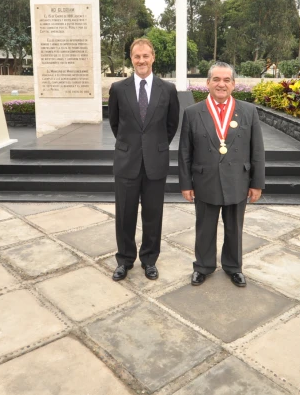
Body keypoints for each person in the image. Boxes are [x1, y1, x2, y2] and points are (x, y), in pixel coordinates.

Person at [178, 62, 265, 288]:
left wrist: (257, 183)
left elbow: (257, 150)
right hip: (205, 179)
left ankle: (234, 267)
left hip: (238, 179)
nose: (221, 84)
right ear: (207, 83)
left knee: (234, 227)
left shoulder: (248, 111)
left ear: (234, 84)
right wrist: (186, 183)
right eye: (216, 79)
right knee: (205, 227)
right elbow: (185, 152)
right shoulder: (192, 113)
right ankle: (203, 266)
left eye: (226, 80)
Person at [108, 38, 180, 282]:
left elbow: (172, 125)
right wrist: (132, 146)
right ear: (131, 58)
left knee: (153, 215)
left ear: (153, 57)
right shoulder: (118, 88)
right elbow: (115, 124)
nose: (141, 61)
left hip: (155, 163)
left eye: (145, 56)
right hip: (127, 161)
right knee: (124, 214)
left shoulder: (167, 90)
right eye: (137, 56)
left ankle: (149, 260)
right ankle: (124, 260)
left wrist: (154, 147)